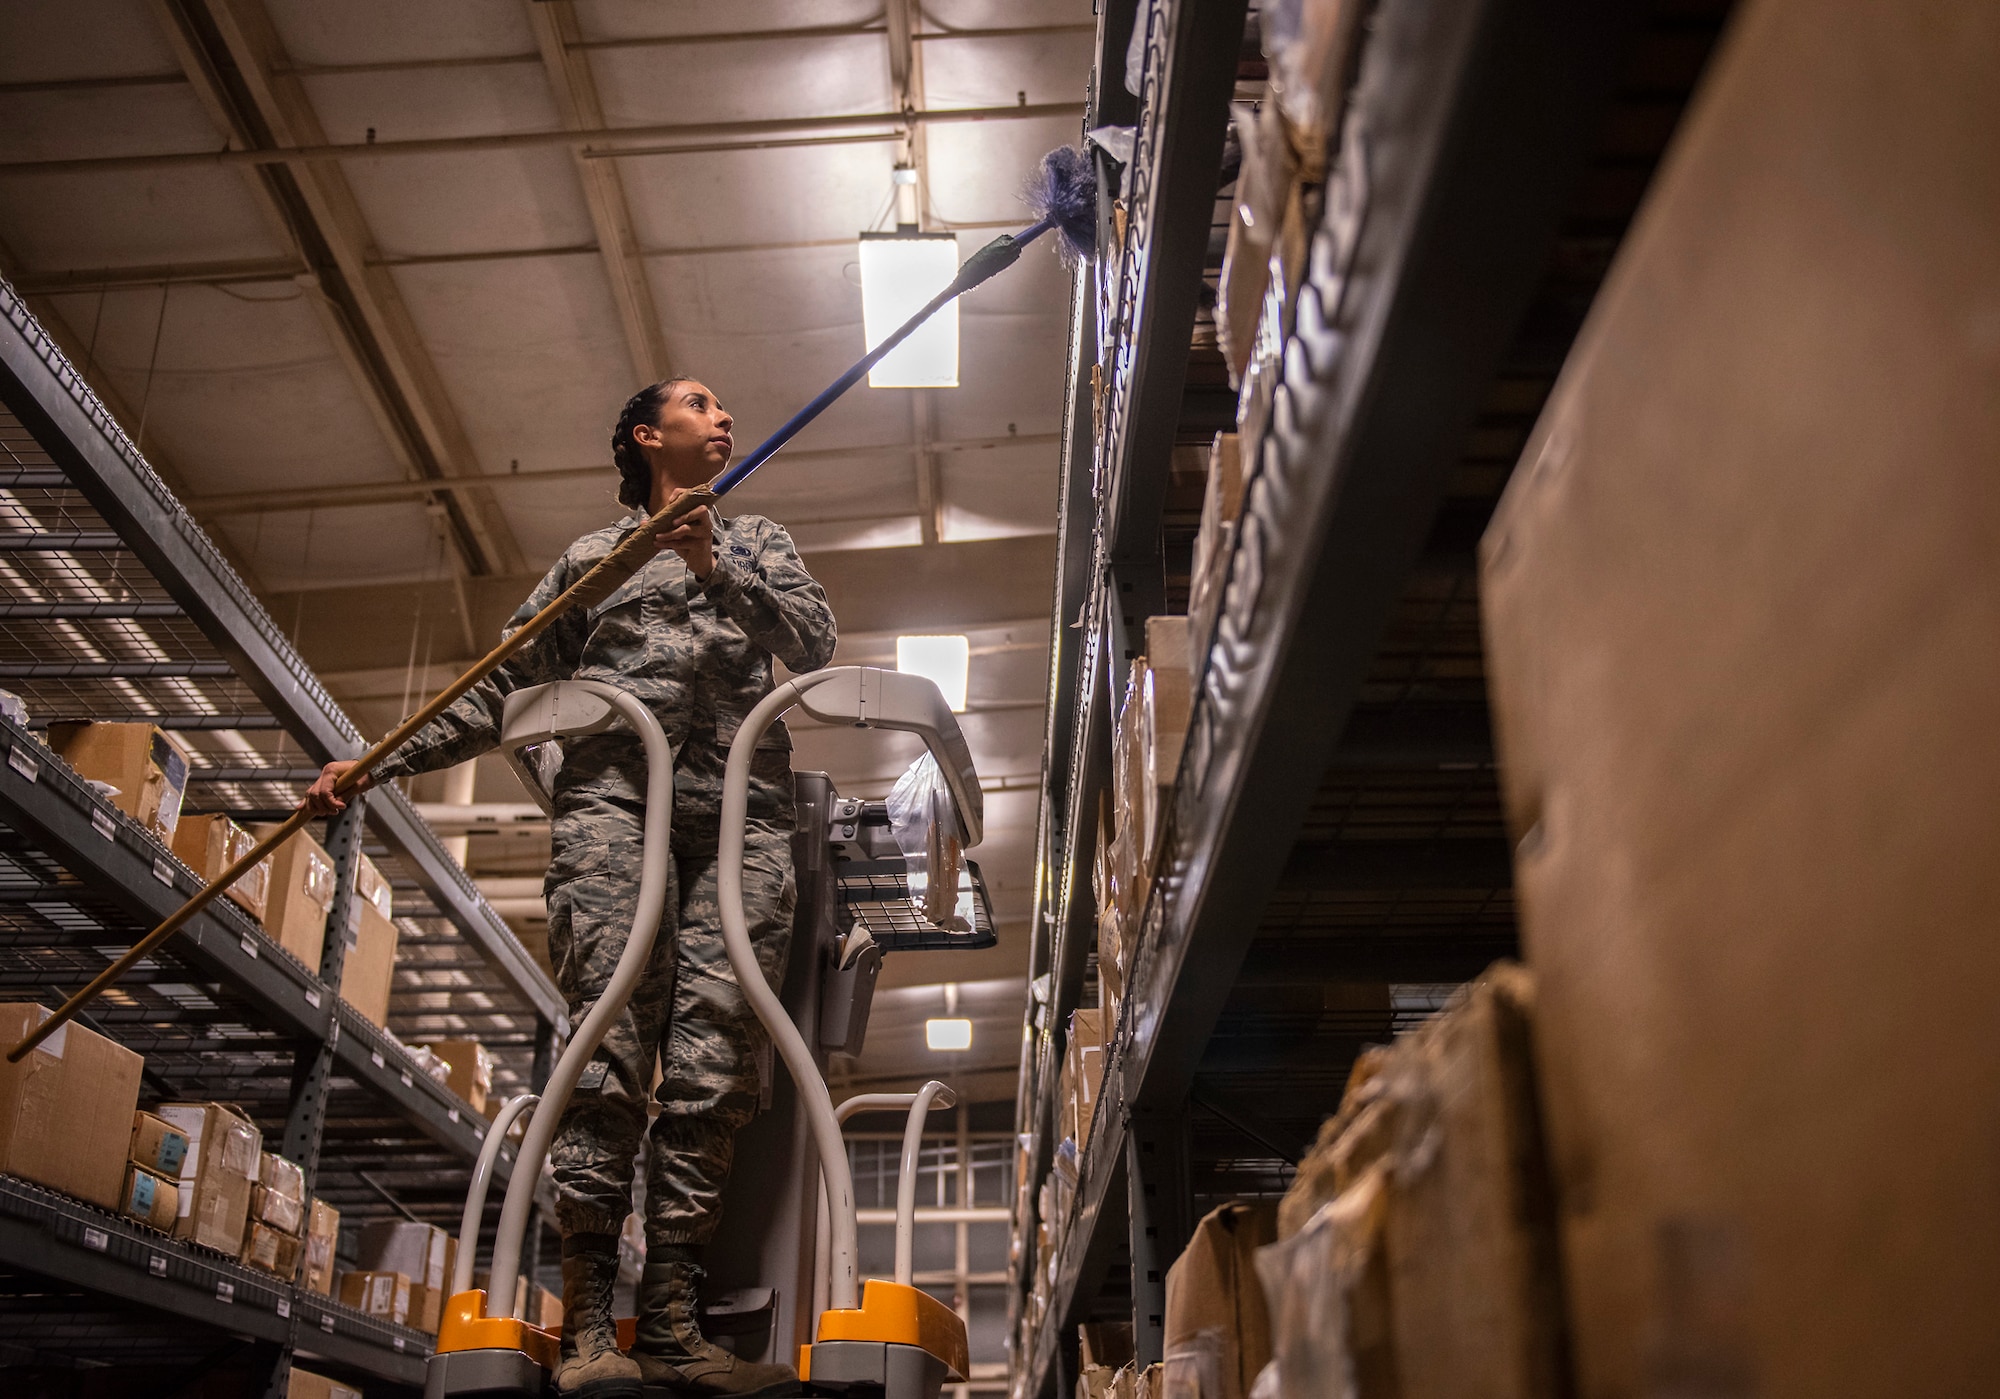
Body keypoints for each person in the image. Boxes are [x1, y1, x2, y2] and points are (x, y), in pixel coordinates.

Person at [307, 379, 834, 1399]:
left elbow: (813, 643)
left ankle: (673, 1326)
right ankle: (590, 1322)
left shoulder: (758, 538)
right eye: (698, 402)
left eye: (725, 408)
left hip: (738, 817)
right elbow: (501, 688)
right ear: (647, 434)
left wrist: (713, 567)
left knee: (716, 1049)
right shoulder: (588, 564)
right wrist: (376, 759)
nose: (723, 417)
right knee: (609, 1041)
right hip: (610, 808)